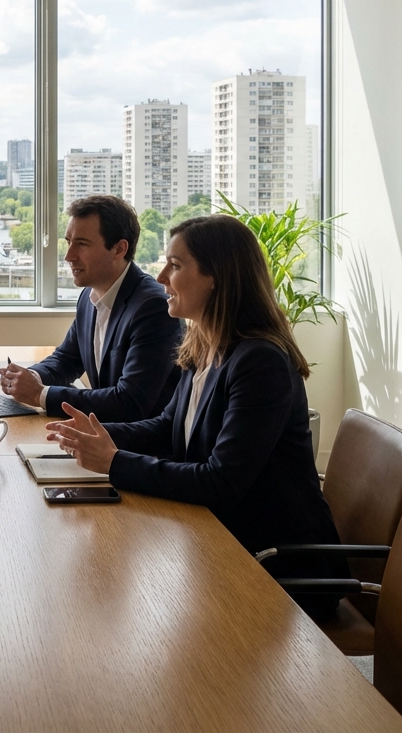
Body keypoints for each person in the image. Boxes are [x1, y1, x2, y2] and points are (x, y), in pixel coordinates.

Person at [46, 212, 343, 618]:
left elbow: (220, 482)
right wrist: (94, 436)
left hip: (271, 563)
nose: (162, 276)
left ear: (217, 277)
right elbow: (168, 428)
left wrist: (113, 461)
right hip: (218, 537)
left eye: (176, 265)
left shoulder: (260, 363)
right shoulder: (204, 342)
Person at [0, 195, 181, 421]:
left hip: (141, 447)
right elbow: (66, 359)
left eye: (82, 244)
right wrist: (30, 377)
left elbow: (130, 402)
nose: (68, 256)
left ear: (119, 249)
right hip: (103, 435)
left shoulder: (152, 308)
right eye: (68, 242)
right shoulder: (89, 295)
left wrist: (40, 395)